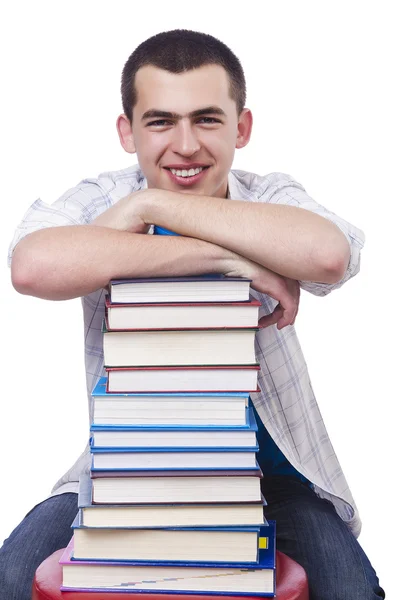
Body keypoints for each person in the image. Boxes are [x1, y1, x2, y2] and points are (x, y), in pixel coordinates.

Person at [1, 29, 384, 599]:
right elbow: (33, 267)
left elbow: (329, 254)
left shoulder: (268, 194)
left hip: (275, 478)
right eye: (160, 122)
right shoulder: (103, 195)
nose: (185, 145)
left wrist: (155, 205)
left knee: (350, 590)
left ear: (242, 127)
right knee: (12, 576)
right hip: (125, 475)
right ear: (127, 132)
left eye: (207, 119)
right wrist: (231, 259)